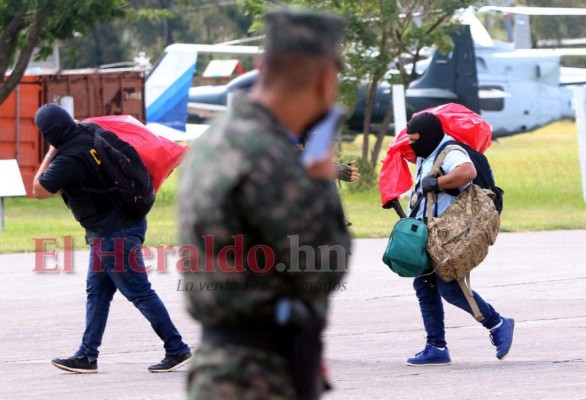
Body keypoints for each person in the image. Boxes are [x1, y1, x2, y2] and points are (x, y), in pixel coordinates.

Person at [177, 8, 351, 400]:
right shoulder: (268, 157)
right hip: (258, 377)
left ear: (262, 66)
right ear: (325, 79)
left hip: (225, 367)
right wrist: (322, 181)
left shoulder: (217, 140)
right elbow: (324, 266)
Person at [32, 103, 191, 373]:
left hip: (114, 235)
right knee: (98, 293)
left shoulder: (69, 157)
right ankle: (87, 356)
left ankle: (176, 348)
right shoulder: (92, 132)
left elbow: (39, 189)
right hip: (119, 227)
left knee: (139, 292)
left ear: (51, 133)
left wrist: (49, 153)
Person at [404, 112, 514, 366]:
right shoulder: (426, 153)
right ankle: (436, 347)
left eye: (415, 139)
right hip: (428, 233)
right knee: (424, 286)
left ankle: (498, 323)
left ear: (429, 135)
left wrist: (438, 182)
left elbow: (467, 172)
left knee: (450, 288)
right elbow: (424, 186)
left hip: (447, 235)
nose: (412, 144)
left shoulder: (450, 151)